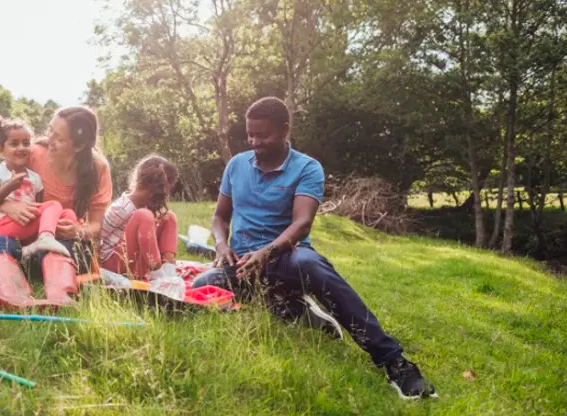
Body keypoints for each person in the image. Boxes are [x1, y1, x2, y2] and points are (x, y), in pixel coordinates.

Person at [191, 96, 438, 400]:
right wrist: (220, 245)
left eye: (263, 135)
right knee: (203, 285)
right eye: (250, 135)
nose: (255, 142)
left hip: (286, 258)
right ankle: (292, 309)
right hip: (242, 264)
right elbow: (219, 217)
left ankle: (394, 362)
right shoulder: (236, 165)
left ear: (285, 129)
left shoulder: (307, 168)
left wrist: (266, 253)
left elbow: (302, 224)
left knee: (310, 264)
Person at [0, 106, 113, 310]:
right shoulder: (33, 153)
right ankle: (15, 297)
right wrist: (9, 206)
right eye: (50, 130)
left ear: (79, 145)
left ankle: (60, 297)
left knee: (61, 245)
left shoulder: (98, 169)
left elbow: (96, 225)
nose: (49, 139)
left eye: (59, 138)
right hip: (27, 245)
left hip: (64, 244)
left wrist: (78, 231)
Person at [0, 114, 73, 258]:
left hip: (26, 225)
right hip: (7, 225)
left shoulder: (34, 178)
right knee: (54, 205)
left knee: (68, 214)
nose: (21, 148)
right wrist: (8, 187)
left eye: (26, 143)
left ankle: (41, 249)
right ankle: (46, 239)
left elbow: (38, 207)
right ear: (0, 149)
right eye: (14, 144)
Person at [99, 155, 180, 281]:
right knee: (143, 215)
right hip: (113, 265)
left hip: (135, 263)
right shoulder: (121, 208)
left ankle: (169, 273)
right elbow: (96, 237)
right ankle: (158, 275)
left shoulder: (146, 205)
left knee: (168, 217)